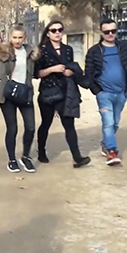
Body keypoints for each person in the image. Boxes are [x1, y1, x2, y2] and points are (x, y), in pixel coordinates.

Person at [35, 20, 91, 168]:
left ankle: (77, 157)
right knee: (46, 124)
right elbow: (37, 73)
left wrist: (71, 71)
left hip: (65, 92)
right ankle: (41, 151)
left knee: (69, 125)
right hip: (48, 92)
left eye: (60, 30)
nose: (57, 33)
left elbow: (71, 66)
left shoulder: (68, 49)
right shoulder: (42, 51)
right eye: (53, 30)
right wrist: (52, 69)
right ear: (48, 33)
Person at [0, 25, 39, 173]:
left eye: (20, 37)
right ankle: (12, 160)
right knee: (12, 128)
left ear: (25, 38)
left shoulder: (31, 53)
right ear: (10, 37)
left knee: (30, 127)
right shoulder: (3, 53)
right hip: (7, 95)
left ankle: (26, 157)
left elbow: (35, 73)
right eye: (14, 37)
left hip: (25, 93)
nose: (17, 40)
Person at [84, 18, 127, 165]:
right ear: (101, 33)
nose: (110, 34)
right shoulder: (94, 51)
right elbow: (89, 73)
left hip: (122, 93)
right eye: (107, 32)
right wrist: (97, 91)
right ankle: (112, 152)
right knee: (108, 122)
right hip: (104, 94)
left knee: (115, 123)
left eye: (113, 31)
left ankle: (105, 143)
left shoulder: (125, 48)